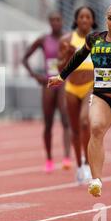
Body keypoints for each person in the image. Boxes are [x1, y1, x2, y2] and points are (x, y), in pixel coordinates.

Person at [48, 1, 111, 197]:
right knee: (95, 128)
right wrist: (61, 76)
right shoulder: (95, 39)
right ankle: (96, 180)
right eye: (110, 18)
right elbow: (77, 56)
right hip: (101, 97)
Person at [22, 11, 71, 173]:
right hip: (48, 83)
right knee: (48, 123)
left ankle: (66, 157)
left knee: (65, 119)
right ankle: (49, 159)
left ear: (62, 21)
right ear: (49, 22)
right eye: (53, 20)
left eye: (58, 20)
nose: (56, 23)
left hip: (63, 82)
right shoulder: (44, 40)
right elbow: (25, 58)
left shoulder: (69, 39)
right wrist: (35, 75)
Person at [58, 6, 98, 184]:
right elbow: (59, 68)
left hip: (91, 85)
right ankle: (80, 166)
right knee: (74, 129)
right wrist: (66, 55)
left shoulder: (98, 40)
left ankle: (89, 164)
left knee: (84, 122)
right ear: (76, 20)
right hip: (71, 88)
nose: (84, 20)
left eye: (87, 17)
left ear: (92, 20)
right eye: (81, 17)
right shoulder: (67, 39)